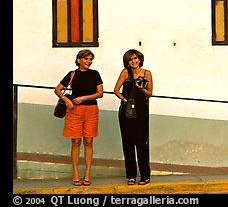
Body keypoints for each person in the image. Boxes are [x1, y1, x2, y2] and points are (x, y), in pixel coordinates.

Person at [54, 49, 104, 186]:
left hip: (91, 110)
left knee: (88, 141)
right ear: (78, 60)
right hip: (74, 111)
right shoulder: (72, 74)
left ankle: (87, 173)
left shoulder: (95, 74)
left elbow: (100, 93)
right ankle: (75, 173)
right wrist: (66, 100)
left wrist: (83, 98)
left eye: (90, 59)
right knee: (75, 142)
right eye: (86, 59)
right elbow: (57, 89)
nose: (89, 61)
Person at [113, 49, 153, 185]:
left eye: (135, 58)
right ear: (127, 62)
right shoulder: (125, 73)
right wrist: (124, 100)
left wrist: (141, 89)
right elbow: (116, 90)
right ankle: (131, 175)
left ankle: (145, 175)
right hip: (127, 112)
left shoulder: (147, 73)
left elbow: (149, 93)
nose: (134, 61)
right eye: (130, 59)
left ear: (140, 59)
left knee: (142, 143)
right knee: (128, 143)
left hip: (141, 111)